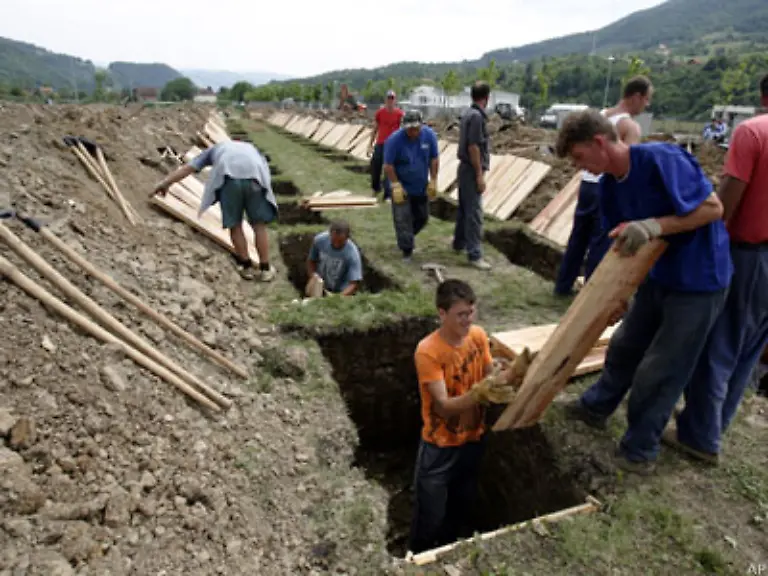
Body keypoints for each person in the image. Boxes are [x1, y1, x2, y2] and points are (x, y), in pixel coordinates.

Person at [556, 109, 732, 475]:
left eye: (578, 156)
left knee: (662, 367)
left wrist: (654, 226)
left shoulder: (662, 160)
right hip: (657, 277)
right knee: (624, 345)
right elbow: (618, 249)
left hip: (698, 281)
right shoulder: (608, 186)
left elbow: (714, 208)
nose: (578, 166)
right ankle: (595, 407)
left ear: (599, 143)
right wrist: (615, 296)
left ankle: (640, 447)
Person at [668, 74, 768, 464]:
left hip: (748, 255)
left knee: (719, 345)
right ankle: (712, 422)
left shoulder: (751, 133)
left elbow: (724, 204)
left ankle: (699, 438)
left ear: (761, 95)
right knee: (747, 351)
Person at [409, 279, 530, 554]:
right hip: (439, 446)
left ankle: (449, 548)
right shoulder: (428, 351)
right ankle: (418, 557)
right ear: (442, 313)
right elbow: (442, 406)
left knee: (461, 504)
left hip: (473, 440)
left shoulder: (477, 336)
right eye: (461, 314)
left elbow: (489, 374)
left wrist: (510, 374)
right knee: (430, 515)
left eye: (471, 311)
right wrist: (477, 394)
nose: (468, 319)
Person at [554, 76, 653, 296]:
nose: (647, 105)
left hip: (587, 187)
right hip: (604, 187)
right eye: (646, 99)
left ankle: (562, 285)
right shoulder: (628, 125)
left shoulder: (601, 115)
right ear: (636, 96)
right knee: (601, 242)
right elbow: (627, 167)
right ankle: (592, 294)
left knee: (578, 238)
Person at [151, 140, 277, 282]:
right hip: (256, 178)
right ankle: (265, 269)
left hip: (229, 180)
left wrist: (165, 183)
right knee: (259, 226)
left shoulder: (214, 150)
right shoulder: (250, 148)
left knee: (235, 225)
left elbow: (188, 168)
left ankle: (246, 266)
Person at [383, 110, 440, 262]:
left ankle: (406, 238)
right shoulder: (394, 140)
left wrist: (433, 180)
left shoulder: (429, 136)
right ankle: (407, 251)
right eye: (409, 129)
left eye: (415, 129)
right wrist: (395, 185)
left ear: (421, 126)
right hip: (401, 185)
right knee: (402, 218)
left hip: (420, 186)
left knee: (422, 217)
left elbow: (434, 159)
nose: (412, 132)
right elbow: (388, 165)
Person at [453, 81, 493, 271]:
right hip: (471, 169)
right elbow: (474, 146)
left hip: (464, 168)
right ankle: (474, 254)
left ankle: (458, 243)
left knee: (463, 209)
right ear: (487, 97)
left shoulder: (467, 113)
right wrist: (479, 175)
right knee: (474, 212)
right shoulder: (477, 117)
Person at [305, 220, 363, 297]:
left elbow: (353, 283)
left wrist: (337, 298)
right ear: (330, 234)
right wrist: (313, 277)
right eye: (333, 240)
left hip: (340, 291)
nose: (336, 244)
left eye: (340, 241)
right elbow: (311, 261)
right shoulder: (320, 240)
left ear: (347, 238)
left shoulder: (352, 254)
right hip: (320, 287)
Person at [368, 90, 404, 201]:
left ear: (395, 100)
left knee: (389, 169)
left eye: (392, 98)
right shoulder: (380, 113)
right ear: (385, 100)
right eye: (388, 98)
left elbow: (403, 129)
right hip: (380, 144)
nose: (390, 100)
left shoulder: (399, 114)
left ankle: (387, 195)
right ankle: (376, 188)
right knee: (375, 165)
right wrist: (370, 144)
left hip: (393, 146)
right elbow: (375, 128)